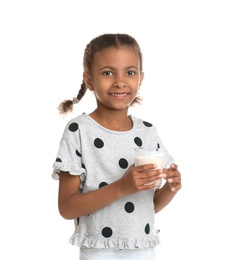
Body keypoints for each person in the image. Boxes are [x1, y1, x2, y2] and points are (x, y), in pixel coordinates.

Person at [52, 33, 182, 260]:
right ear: (89, 79)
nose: (120, 81)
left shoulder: (148, 132)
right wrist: (122, 187)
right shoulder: (79, 131)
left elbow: (146, 209)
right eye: (107, 72)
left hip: (144, 250)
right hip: (99, 252)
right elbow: (67, 207)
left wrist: (170, 188)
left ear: (140, 78)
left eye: (130, 72)